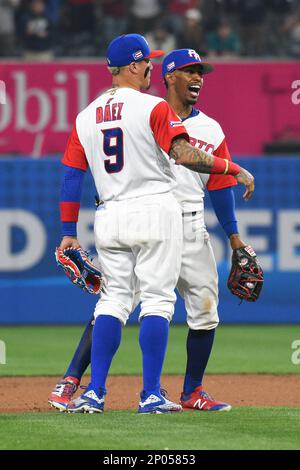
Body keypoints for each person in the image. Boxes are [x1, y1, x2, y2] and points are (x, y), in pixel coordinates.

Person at [50, 37, 254, 414]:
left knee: (112, 301)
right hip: (155, 212)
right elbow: (182, 154)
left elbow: (70, 177)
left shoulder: (85, 115)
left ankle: (94, 393)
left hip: (110, 215)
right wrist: (232, 167)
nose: (149, 68)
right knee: (158, 303)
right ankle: (150, 394)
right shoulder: (153, 107)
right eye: (146, 63)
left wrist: (67, 230)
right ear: (133, 66)